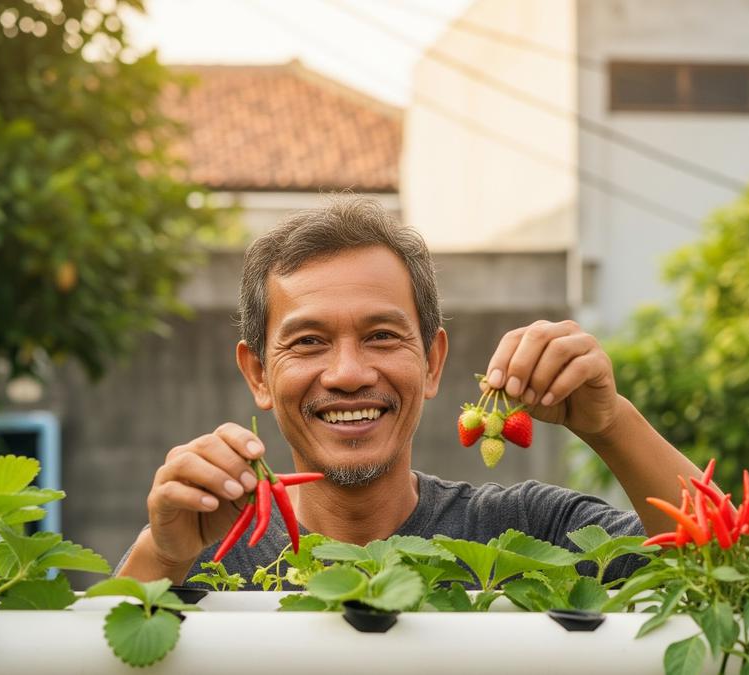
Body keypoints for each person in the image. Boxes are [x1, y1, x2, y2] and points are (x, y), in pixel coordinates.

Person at [116, 197, 702, 587]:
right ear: (258, 375)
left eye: (381, 335)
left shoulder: (529, 533)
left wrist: (612, 423)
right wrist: (163, 556)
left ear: (433, 361)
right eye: (310, 342)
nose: (347, 372)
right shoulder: (203, 554)